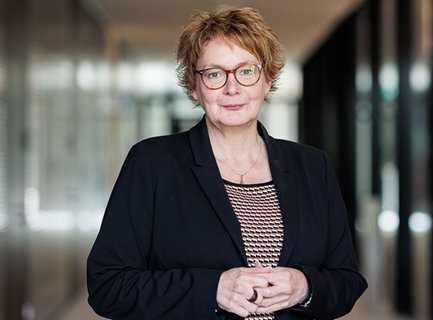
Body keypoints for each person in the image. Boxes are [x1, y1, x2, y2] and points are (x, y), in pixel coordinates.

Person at [87, 6, 367, 320]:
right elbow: (108, 286)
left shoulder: (313, 166)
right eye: (215, 74)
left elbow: (347, 281)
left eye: (247, 71)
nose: (232, 88)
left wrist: (305, 287)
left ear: (267, 79)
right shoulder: (152, 163)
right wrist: (213, 289)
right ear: (193, 86)